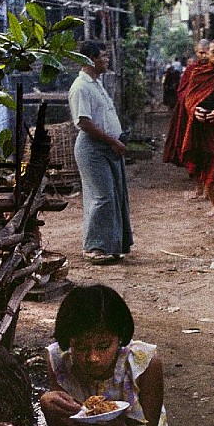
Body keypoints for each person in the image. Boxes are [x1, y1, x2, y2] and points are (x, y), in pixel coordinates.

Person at [40, 284, 166, 426]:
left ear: (120, 337)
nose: (93, 358)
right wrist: (49, 408)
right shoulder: (58, 361)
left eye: (103, 346)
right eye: (81, 347)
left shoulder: (143, 364)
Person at [69, 41, 132, 265]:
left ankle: (111, 245)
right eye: (103, 56)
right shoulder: (80, 87)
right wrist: (112, 140)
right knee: (101, 196)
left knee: (114, 196)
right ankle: (94, 247)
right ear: (90, 60)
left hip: (109, 146)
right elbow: (84, 122)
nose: (107, 60)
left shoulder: (96, 84)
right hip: (92, 148)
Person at [174, 38, 214, 217]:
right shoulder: (198, 73)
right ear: (206, 54)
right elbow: (190, 98)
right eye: (213, 52)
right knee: (206, 166)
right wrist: (194, 110)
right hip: (202, 126)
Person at [162, 38, 209, 176]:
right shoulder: (191, 70)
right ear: (196, 53)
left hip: (211, 113)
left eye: (207, 52)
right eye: (201, 53)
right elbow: (182, 90)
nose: (204, 56)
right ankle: (197, 179)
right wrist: (193, 102)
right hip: (192, 113)